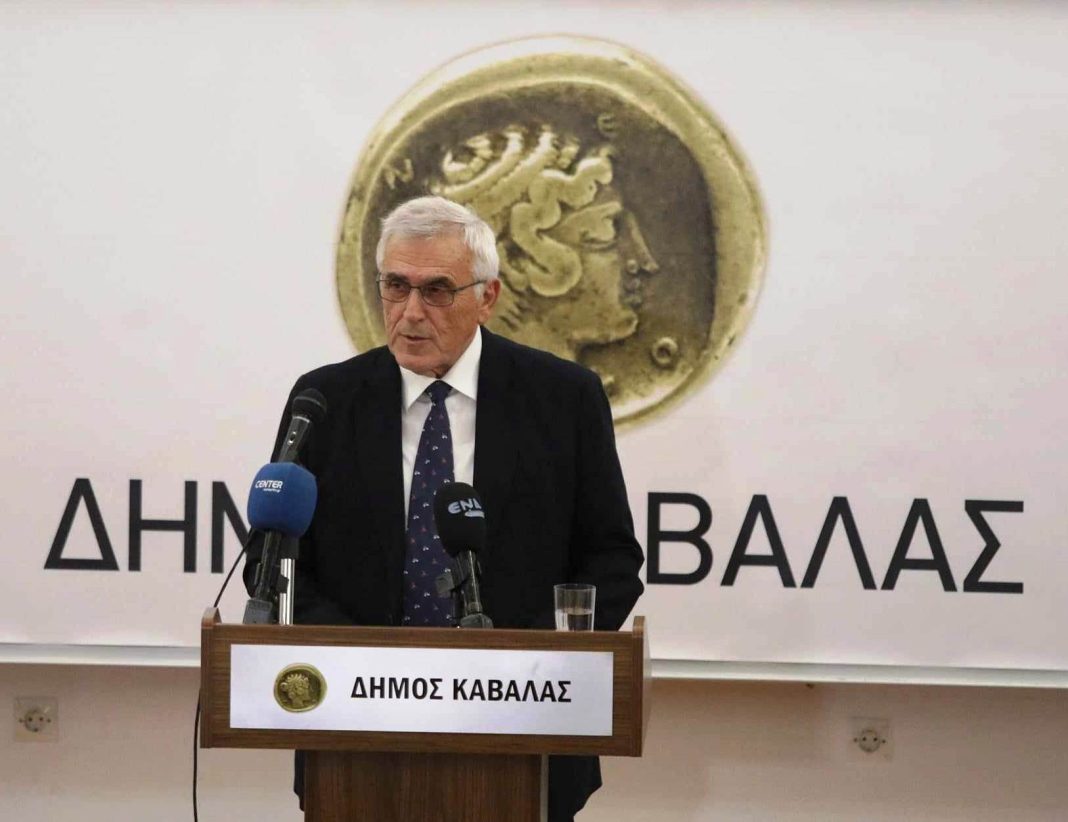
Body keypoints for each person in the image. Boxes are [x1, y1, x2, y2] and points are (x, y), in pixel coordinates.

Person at [246, 195, 645, 821]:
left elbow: (611, 560)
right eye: (395, 286)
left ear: (487, 297)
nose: (410, 312)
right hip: (355, 736)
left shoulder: (563, 398)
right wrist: (369, 672)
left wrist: (519, 672)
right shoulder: (325, 399)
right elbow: (276, 561)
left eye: (436, 290)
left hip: (524, 732)